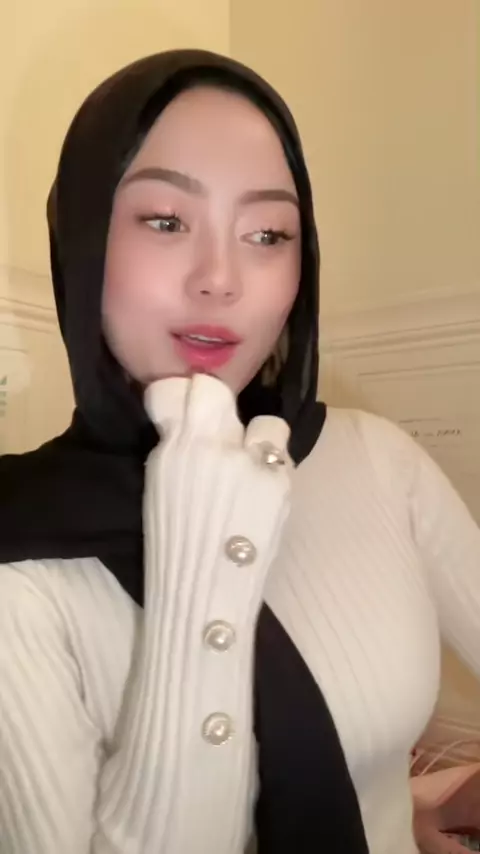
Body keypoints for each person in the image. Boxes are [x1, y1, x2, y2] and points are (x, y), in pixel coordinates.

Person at [0, 49, 479, 854]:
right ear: (81, 242)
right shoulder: (18, 559)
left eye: (267, 234)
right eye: (165, 221)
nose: (221, 279)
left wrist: (397, 806)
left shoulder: (377, 460)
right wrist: (196, 546)